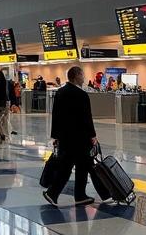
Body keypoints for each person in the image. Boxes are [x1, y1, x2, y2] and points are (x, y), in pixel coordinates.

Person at [43, 66, 98, 207]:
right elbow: (87, 118)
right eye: (82, 75)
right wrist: (92, 135)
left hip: (65, 137)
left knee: (67, 165)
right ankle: (74, 195)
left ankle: (56, 193)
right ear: (77, 76)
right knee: (82, 166)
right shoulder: (81, 95)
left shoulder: (60, 92)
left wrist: (55, 136)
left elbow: (55, 116)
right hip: (80, 137)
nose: (84, 78)